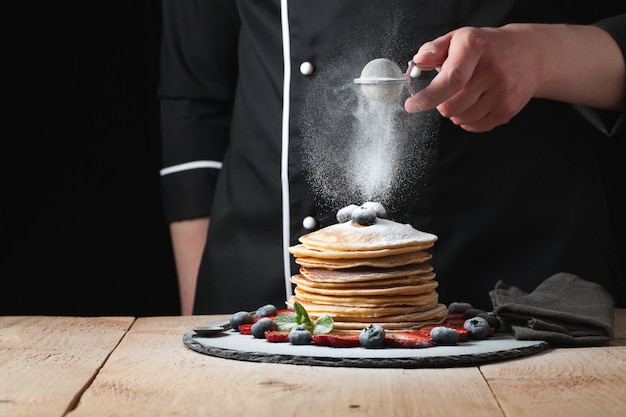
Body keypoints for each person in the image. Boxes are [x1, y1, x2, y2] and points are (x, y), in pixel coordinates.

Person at [158, 0, 626, 315]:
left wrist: (539, 54)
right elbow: (193, 99)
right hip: (261, 300)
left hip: (516, 292)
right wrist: (199, 323)